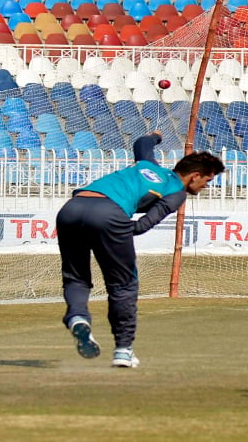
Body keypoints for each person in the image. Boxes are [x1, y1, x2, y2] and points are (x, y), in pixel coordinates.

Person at [58, 132, 225, 368]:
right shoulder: (177, 192)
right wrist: (122, 228)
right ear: (195, 176)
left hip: (71, 208)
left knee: (76, 276)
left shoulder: (147, 164)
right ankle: (123, 350)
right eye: (207, 180)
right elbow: (144, 225)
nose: (206, 186)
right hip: (109, 213)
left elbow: (142, 143)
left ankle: (77, 318)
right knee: (123, 284)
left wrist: (156, 136)